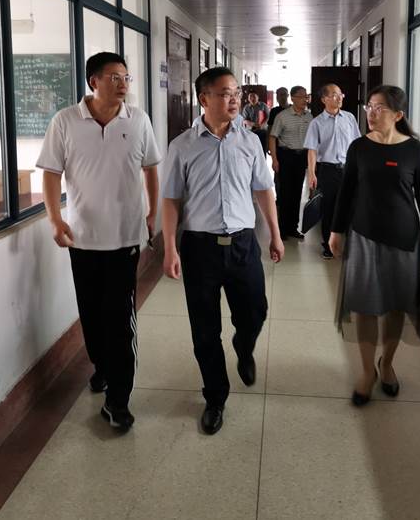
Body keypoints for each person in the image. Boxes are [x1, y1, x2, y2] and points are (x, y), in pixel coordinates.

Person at [37, 52, 160, 432]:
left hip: (124, 238)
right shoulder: (65, 121)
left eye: (126, 77)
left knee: (120, 320)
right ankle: (102, 367)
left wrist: (152, 212)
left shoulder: (138, 120)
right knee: (91, 315)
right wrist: (56, 220)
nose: (123, 84)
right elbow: (51, 173)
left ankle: (118, 401)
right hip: (83, 238)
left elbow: (151, 168)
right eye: (114, 77)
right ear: (94, 81)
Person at [161, 67, 284, 435]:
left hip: (243, 244)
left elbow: (263, 190)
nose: (234, 99)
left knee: (255, 312)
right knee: (204, 329)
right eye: (225, 93)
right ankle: (215, 397)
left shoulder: (250, 141)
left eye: (236, 92)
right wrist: (169, 248)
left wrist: (275, 234)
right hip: (200, 248)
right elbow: (171, 200)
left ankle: (243, 347)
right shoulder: (182, 146)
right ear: (204, 99)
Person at [329, 85, 420, 407]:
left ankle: (387, 364)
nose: (371, 113)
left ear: (398, 114)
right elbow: (346, 192)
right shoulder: (359, 147)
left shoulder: (414, 150)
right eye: (370, 107)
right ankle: (367, 372)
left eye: (379, 108)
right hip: (364, 236)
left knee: (396, 306)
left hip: (405, 240)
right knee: (365, 307)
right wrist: (336, 231)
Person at [304, 84, 361, 259]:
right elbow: (312, 150)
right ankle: (328, 245)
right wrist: (312, 173)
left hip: (349, 170)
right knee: (329, 208)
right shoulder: (316, 123)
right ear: (324, 99)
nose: (339, 98)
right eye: (335, 95)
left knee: (351, 207)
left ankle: (351, 245)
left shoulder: (349, 118)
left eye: (340, 94)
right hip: (328, 171)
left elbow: (357, 145)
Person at [269, 86, 313, 240]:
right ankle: (282, 229)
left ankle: (293, 227)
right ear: (292, 98)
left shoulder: (309, 117)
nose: (305, 100)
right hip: (286, 156)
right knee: (285, 194)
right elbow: (272, 137)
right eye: (301, 97)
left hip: (301, 157)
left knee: (297, 193)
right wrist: (274, 159)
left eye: (306, 96)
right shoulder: (282, 116)